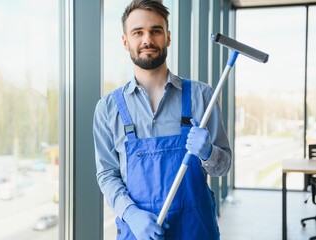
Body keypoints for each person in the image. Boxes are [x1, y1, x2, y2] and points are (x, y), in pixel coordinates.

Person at [93, 0, 231, 239]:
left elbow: (224, 166)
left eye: (155, 31)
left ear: (168, 37)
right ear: (126, 41)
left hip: (196, 231)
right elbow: (107, 175)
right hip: (137, 233)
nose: (147, 39)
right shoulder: (108, 108)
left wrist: (208, 152)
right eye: (138, 32)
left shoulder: (202, 96)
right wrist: (131, 214)